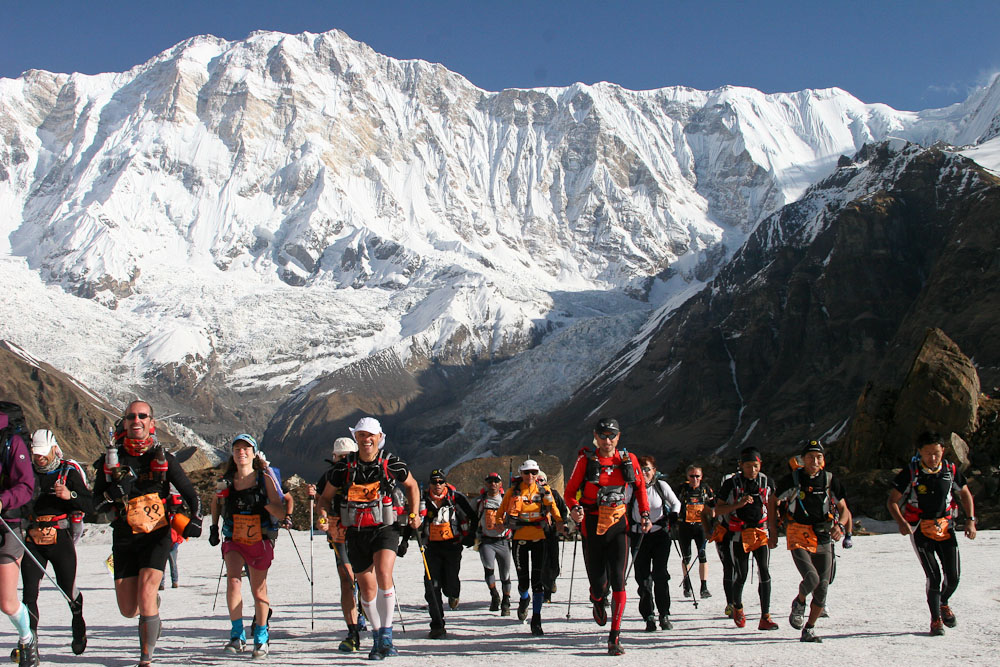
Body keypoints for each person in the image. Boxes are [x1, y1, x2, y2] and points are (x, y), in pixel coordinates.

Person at [93, 400, 203, 667]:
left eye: (143, 416)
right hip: (124, 537)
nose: (137, 420)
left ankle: (146, 658)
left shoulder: (163, 457)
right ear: (125, 422)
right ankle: (152, 605)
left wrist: (195, 519)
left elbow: (191, 493)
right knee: (129, 609)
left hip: (157, 533)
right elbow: (94, 505)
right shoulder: (111, 460)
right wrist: (113, 493)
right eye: (131, 416)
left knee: (145, 592)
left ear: (152, 423)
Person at [317, 417, 421, 660]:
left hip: (385, 527)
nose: (366, 439)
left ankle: (387, 634)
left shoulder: (391, 463)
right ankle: (377, 638)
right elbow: (324, 498)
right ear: (356, 438)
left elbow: (413, 485)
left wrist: (414, 513)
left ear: (379, 437)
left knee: (384, 572)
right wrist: (322, 516)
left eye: (370, 435)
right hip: (355, 532)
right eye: (362, 435)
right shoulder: (343, 469)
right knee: (366, 586)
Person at [564, 418, 651, 656]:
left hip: (618, 525)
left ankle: (614, 636)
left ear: (618, 437)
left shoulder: (627, 459)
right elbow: (570, 492)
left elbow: (641, 487)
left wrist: (644, 513)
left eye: (611, 435)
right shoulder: (586, 460)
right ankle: (597, 598)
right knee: (599, 584)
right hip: (592, 524)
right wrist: (574, 508)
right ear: (595, 436)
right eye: (603, 435)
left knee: (619, 580)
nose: (607, 440)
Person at [887, 431, 976, 636]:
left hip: (945, 527)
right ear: (920, 452)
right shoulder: (911, 472)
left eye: (936, 453)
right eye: (928, 453)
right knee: (934, 576)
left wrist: (970, 521)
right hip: (920, 529)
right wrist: (901, 522)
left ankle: (943, 602)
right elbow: (892, 501)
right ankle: (935, 620)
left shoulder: (950, 469)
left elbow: (964, 493)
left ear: (943, 450)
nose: (933, 458)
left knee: (953, 577)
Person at [208, 434, 286, 658]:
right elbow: (216, 501)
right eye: (237, 449)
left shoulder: (265, 480)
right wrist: (213, 527)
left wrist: (264, 504)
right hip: (234, 537)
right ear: (232, 454)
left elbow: (279, 511)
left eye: (246, 449)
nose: (241, 452)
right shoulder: (227, 480)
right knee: (233, 581)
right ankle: (237, 634)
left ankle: (261, 635)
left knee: (258, 589)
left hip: (259, 539)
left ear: (254, 453)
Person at [20, 430, 92, 656]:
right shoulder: (27, 472)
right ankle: (31, 644)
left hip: (60, 537)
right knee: (29, 594)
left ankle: (78, 621)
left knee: (67, 588)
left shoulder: (68, 471)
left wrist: (69, 496)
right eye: (35, 454)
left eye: (42, 454)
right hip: (32, 537)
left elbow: (90, 505)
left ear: (53, 449)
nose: (38, 458)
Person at [775, 439, 850, 642]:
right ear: (803, 459)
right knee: (812, 578)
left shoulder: (830, 480)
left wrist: (840, 526)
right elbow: (773, 499)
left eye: (818, 457)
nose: (814, 460)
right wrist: (773, 530)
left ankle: (809, 628)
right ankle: (799, 603)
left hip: (823, 535)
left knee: (823, 587)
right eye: (810, 457)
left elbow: (844, 510)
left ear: (823, 460)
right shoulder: (793, 479)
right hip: (798, 532)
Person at [311, 437, 368, 652]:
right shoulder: (328, 477)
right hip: (339, 533)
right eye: (340, 456)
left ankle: (363, 609)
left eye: (347, 456)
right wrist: (323, 517)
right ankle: (352, 630)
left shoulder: (364, 472)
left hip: (364, 531)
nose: (343, 460)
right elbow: (321, 501)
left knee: (363, 578)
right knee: (347, 578)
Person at [497, 459, 566, 637]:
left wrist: (559, 522)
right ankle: (523, 598)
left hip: (539, 539)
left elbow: (553, 507)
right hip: (519, 539)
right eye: (527, 472)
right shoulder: (513, 492)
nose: (530, 476)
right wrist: (498, 523)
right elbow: (501, 511)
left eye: (534, 472)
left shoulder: (544, 490)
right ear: (521, 473)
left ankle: (536, 619)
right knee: (523, 581)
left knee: (537, 582)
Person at [714, 447, 778, 631]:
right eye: (748, 466)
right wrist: (738, 504)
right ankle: (738, 607)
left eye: (755, 466)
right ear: (741, 465)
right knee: (740, 574)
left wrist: (774, 531)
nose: (752, 470)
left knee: (764, 572)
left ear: (760, 465)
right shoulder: (731, 484)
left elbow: (774, 504)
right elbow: (717, 509)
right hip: (738, 535)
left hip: (760, 532)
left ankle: (765, 616)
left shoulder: (767, 482)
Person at [0, 403, 38, 667]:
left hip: (7, 525)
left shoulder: (11, 442)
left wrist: (2, 501)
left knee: (7, 601)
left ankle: (27, 638)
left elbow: (26, 486)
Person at [419, 469, 476, 638]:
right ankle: (437, 624)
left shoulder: (456, 498)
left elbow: (473, 516)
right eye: (434, 482)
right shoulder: (422, 499)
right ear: (429, 483)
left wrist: (471, 536)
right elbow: (413, 518)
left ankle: (453, 593)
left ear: (445, 483)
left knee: (451, 580)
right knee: (432, 585)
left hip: (453, 545)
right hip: (431, 547)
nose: (437, 485)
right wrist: (406, 540)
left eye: (440, 482)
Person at [629, 456, 680, 631]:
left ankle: (664, 614)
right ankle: (648, 616)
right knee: (643, 579)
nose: (644, 473)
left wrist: (673, 516)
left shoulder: (661, 486)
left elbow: (676, 503)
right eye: (641, 470)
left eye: (647, 469)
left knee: (660, 575)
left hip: (660, 536)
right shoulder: (631, 489)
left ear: (654, 470)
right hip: (639, 537)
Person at [475, 472, 513, 616]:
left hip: (503, 541)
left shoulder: (507, 500)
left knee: (505, 574)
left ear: (500, 484)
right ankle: (494, 595)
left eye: (496, 481)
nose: (493, 484)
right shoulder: (480, 501)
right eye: (490, 481)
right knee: (489, 570)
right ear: (486, 484)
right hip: (487, 542)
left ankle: (506, 601)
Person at [677, 464, 715, 599]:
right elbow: (673, 504)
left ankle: (704, 587)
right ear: (687, 477)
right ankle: (687, 583)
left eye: (697, 476)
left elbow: (713, 506)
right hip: (685, 527)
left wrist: (713, 524)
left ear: (701, 476)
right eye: (692, 476)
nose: (695, 479)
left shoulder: (705, 489)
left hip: (701, 527)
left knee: (702, 555)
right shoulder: (682, 489)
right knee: (686, 556)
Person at [536, 470, 567, 602]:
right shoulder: (531, 495)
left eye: (541, 480)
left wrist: (562, 523)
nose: (539, 483)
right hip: (537, 533)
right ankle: (545, 593)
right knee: (542, 563)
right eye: (537, 480)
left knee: (554, 562)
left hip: (552, 532)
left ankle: (552, 579)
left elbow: (563, 509)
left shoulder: (553, 494)